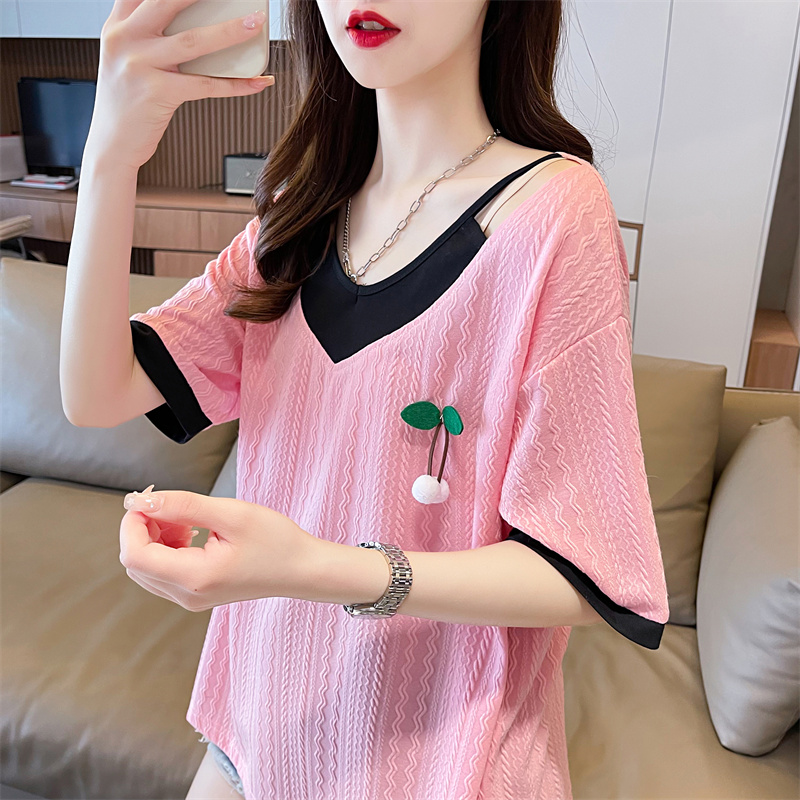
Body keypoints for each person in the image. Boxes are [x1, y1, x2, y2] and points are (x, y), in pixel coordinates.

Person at [61, 1, 670, 798]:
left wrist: (319, 569)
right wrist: (110, 153)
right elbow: (97, 392)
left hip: (438, 769)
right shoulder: (300, 208)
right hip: (251, 740)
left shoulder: (554, 214)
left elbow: (585, 573)